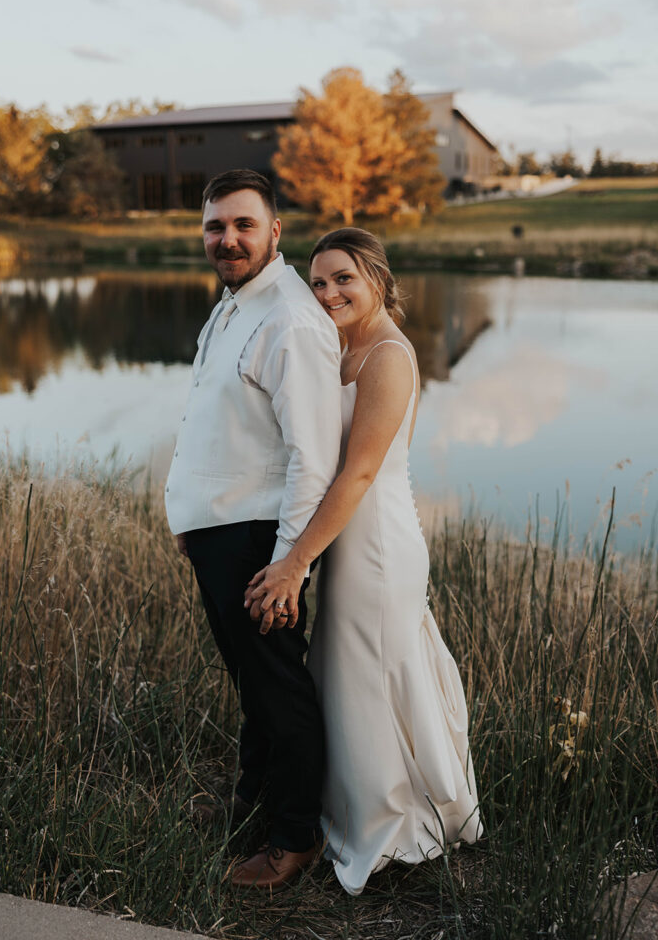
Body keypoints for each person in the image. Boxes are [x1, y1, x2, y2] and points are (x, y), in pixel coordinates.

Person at [245, 227, 483, 895]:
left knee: (369, 671)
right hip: (340, 538)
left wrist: (292, 564)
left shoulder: (389, 355)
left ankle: (386, 822)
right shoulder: (335, 347)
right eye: (317, 282)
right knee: (343, 672)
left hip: (377, 542)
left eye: (342, 278)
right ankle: (340, 805)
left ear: (376, 276)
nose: (327, 293)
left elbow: (357, 475)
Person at [164, 169, 342, 888]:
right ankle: (253, 802)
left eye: (242, 225)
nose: (227, 239)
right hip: (217, 525)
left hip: (259, 536)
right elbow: (213, 419)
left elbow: (312, 456)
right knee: (251, 683)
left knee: (278, 688)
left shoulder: (292, 320)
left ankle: (294, 837)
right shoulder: (237, 301)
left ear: (275, 231)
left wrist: (291, 562)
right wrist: (187, 516)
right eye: (215, 226)